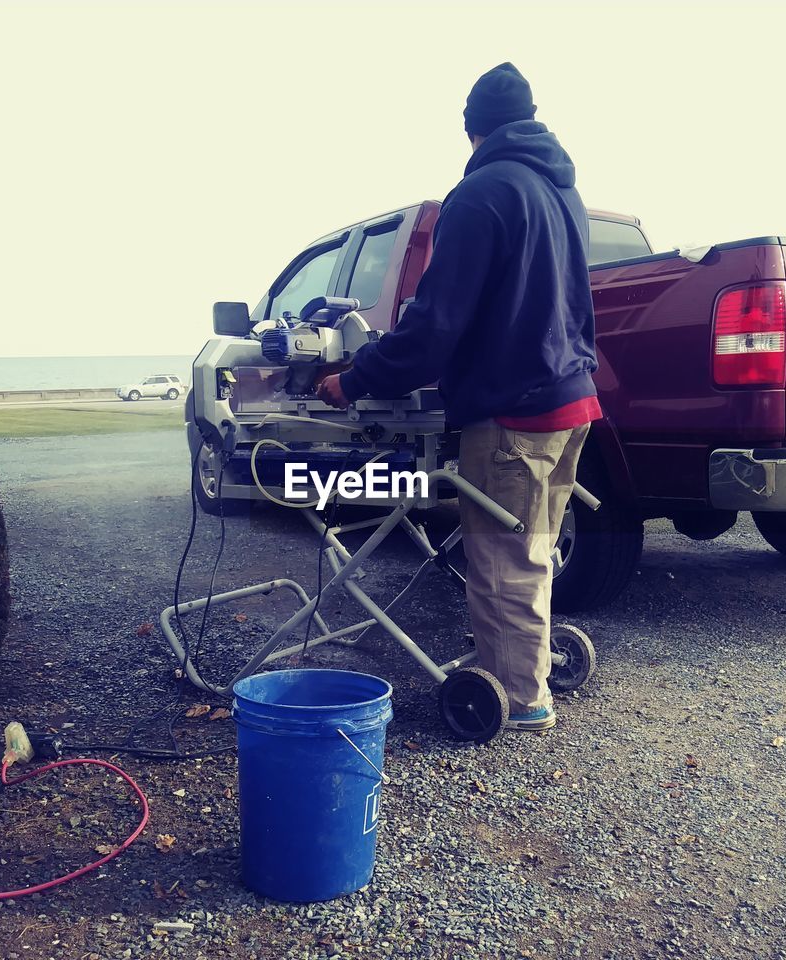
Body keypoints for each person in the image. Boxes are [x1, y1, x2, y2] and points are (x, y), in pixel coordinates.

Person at [316, 62, 599, 733]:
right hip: (572, 399)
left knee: (503, 559)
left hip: (514, 409)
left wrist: (353, 380)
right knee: (535, 547)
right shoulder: (563, 194)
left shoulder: (480, 194)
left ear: (471, 130)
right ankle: (524, 660)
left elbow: (436, 323)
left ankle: (521, 696)